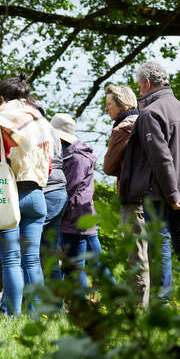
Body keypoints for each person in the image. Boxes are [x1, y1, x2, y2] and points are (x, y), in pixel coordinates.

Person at [0, 73, 57, 317]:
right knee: (31, 260)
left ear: (1, 99)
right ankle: (36, 315)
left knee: (11, 260)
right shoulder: (41, 122)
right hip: (37, 195)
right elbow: (49, 163)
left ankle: (11, 315)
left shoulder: (1, 120)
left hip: (10, 195)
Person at [133, 61, 180, 303]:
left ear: (146, 83)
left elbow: (161, 158)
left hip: (160, 193)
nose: (139, 91)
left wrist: (173, 194)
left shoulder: (150, 113)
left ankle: (162, 304)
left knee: (160, 246)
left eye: (139, 86)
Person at [52, 113, 114, 291]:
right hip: (81, 216)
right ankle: (118, 298)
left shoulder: (76, 158)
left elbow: (68, 188)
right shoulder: (72, 154)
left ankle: (81, 305)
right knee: (96, 263)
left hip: (75, 217)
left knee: (74, 265)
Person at [101, 84, 150, 307]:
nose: (106, 109)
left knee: (135, 254)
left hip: (132, 196)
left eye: (109, 105)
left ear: (122, 104)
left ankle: (138, 306)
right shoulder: (148, 122)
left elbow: (108, 166)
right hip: (154, 195)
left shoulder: (122, 128)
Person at [40, 112, 68, 281]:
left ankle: (28, 304)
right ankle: (55, 305)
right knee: (50, 253)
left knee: (27, 250)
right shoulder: (54, 136)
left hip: (46, 192)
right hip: (59, 193)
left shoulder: (36, 132)